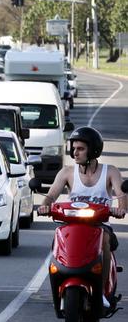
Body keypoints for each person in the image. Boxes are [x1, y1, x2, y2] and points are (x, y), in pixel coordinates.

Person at [37, 127, 126, 307]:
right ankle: (59, 283)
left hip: (100, 224)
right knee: (57, 241)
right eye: (74, 148)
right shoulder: (67, 172)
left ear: (93, 150)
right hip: (71, 224)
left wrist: (120, 209)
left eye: (80, 149)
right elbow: (51, 195)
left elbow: (122, 197)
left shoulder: (111, 171)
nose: (75, 153)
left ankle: (102, 291)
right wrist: (44, 205)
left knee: (105, 241)